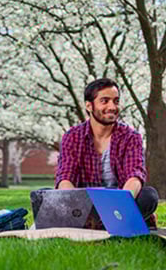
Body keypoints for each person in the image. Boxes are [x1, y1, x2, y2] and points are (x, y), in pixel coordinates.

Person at [55, 78, 159, 227]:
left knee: (149, 196)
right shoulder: (72, 136)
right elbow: (65, 177)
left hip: (121, 203)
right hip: (84, 204)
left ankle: (103, 223)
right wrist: (76, 206)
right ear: (89, 106)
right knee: (45, 195)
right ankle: (108, 224)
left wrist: (120, 206)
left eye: (116, 101)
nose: (112, 107)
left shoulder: (131, 137)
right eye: (105, 101)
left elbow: (134, 177)